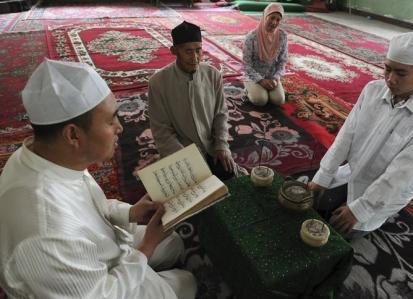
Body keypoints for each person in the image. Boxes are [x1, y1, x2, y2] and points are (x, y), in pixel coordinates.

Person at [0, 59, 197, 299]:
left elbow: (85, 206)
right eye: (111, 120)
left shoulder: (45, 154)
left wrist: (131, 213)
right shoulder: (46, 234)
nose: (120, 128)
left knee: (174, 242)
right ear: (73, 134)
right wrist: (146, 247)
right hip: (96, 285)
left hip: (98, 247)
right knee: (186, 284)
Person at [308, 32, 413, 239]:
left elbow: (401, 173)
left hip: (391, 190)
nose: (390, 79)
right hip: (355, 170)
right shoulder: (372, 90)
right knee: (308, 200)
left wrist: (359, 210)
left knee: (334, 232)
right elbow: (346, 136)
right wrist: (324, 175)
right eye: (387, 69)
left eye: (401, 73)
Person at [148, 21, 235, 180]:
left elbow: (221, 114)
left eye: (198, 50)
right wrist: (186, 159)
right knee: (189, 188)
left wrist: (221, 145)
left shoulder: (213, 75)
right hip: (181, 150)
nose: (195, 58)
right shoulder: (158, 83)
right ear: (174, 51)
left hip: (210, 146)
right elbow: (161, 130)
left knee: (228, 175)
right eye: (188, 51)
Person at [242, 3, 288, 106]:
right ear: (265, 16)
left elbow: (282, 61)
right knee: (261, 100)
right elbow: (246, 65)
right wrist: (260, 80)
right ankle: (248, 89)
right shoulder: (252, 37)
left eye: (278, 19)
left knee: (278, 100)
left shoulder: (282, 36)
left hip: (272, 76)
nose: (274, 22)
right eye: (271, 18)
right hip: (253, 75)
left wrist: (275, 78)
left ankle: (263, 90)